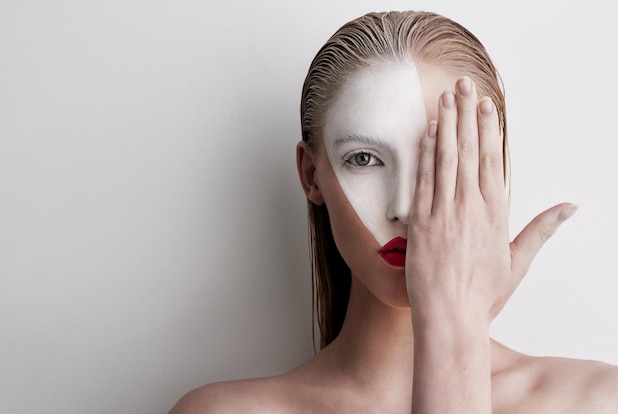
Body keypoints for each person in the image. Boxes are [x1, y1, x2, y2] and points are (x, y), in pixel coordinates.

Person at [170, 10, 618, 413]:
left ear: (493, 171)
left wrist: (455, 328)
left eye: (444, 158)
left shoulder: (597, 400)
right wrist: (455, 331)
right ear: (311, 175)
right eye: (364, 159)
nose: (407, 209)